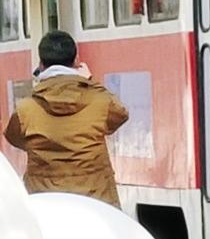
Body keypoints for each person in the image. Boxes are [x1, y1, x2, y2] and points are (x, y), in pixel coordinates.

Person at [4, 30, 128, 207]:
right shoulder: (99, 101)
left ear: (41, 65)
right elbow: (121, 114)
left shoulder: (26, 109)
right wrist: (90, 81)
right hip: (98, 204)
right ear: (76, 61)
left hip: (46, 204)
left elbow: (13, 137)